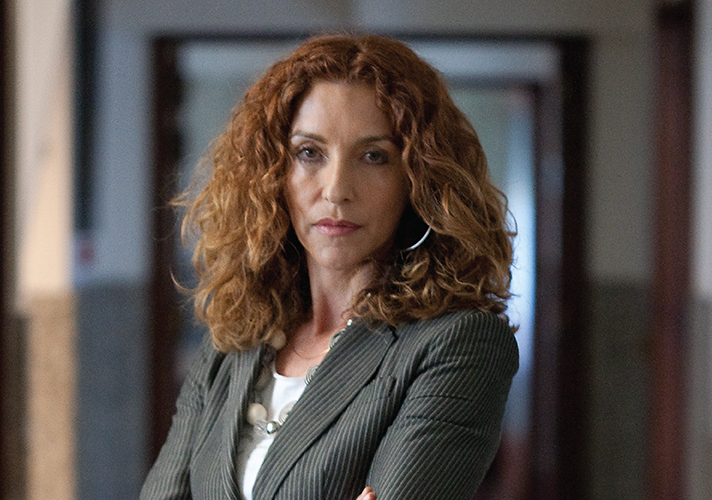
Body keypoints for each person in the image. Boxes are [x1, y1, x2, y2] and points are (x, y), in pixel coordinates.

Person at [141, 33, 519, 500]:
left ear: (418, 177)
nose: (337, 189)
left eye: (374, 156)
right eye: (309, 152)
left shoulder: (460, 344)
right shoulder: (233, 342)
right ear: (272, 173)